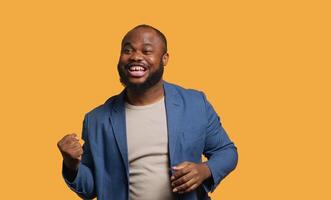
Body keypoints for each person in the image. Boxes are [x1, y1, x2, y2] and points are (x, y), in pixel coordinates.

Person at [57, 24, 238, 200]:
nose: (135, 56)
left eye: (147, 51)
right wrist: (72, 165)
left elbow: (226, 152)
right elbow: (90, 189)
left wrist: (205, 170)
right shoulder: (97, 119)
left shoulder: (195, 103)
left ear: (165, 58)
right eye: (127, 51)